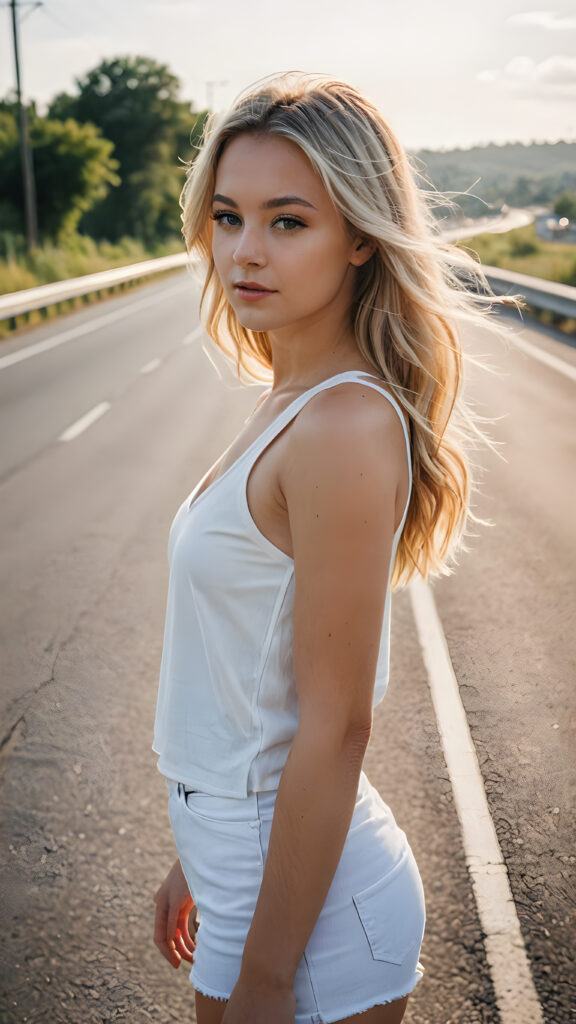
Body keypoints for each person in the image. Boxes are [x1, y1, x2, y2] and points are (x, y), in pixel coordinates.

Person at [151, 71, 524, 1024]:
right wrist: (194, 851)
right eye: (228, 217)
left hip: (310, 923)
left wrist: (268, 977)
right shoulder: (287, 401)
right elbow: (245, 681)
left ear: (360, 235)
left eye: (287, 221)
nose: (244, 252)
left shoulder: (342, 427)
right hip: (246, 859)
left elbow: (336, 727)